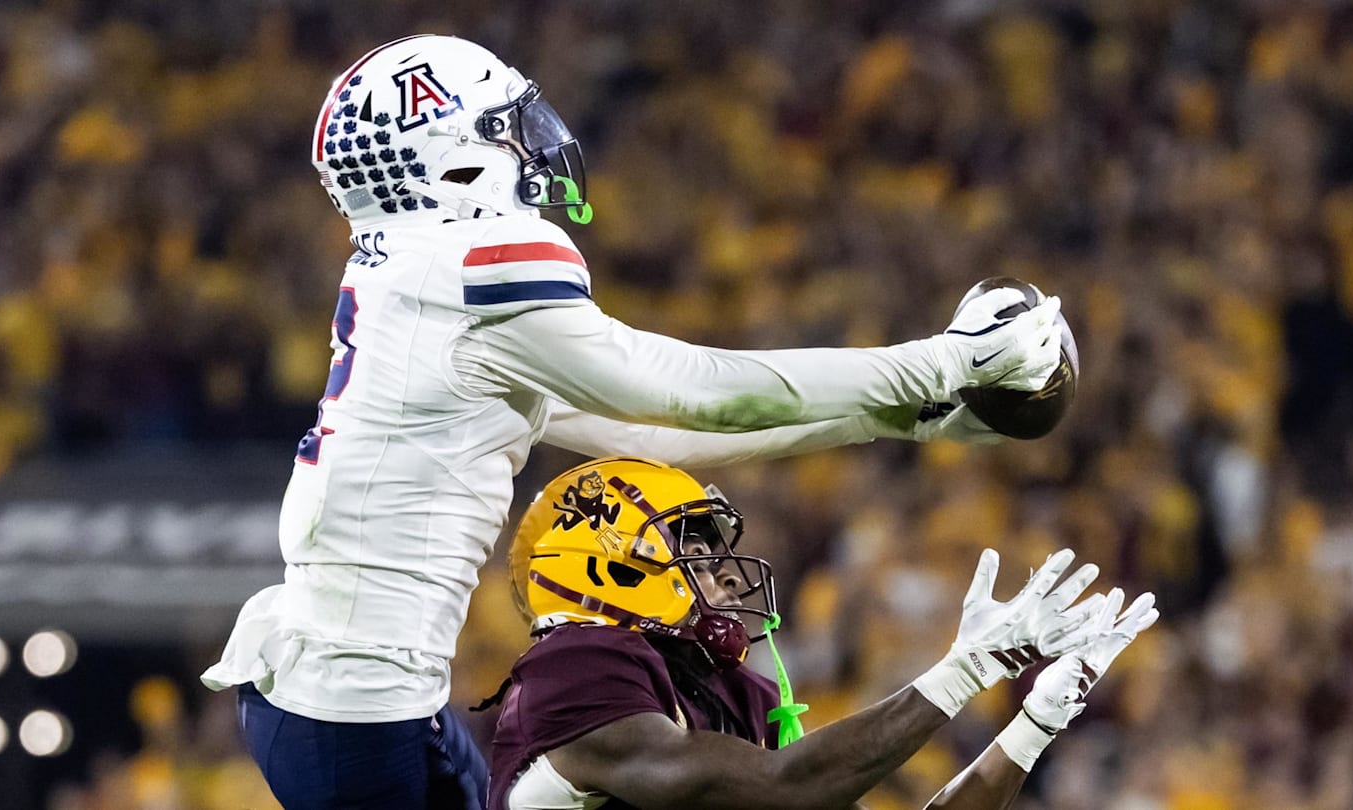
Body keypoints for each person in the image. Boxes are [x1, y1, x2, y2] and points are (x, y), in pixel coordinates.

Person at [200, 34, 1066, 810]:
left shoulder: (417, 276)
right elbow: (694, 393)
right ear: (453, 166)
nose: (527, 143)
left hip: (347, 692)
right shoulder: (466, 266)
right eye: (501, 128)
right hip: (356, 711)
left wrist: (912, 421)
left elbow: (659, 438)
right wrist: (947, 361)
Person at [490, 457, 1158, 810]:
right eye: (696, 556)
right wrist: (965, 669)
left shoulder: (739, 697)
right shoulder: (576, 665)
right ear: (606, 563)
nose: (724, 580)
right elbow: (776, 786)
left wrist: (1032, 726)